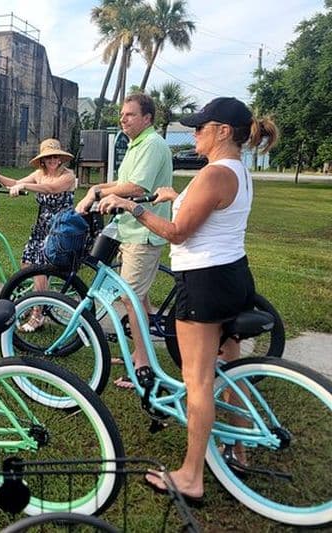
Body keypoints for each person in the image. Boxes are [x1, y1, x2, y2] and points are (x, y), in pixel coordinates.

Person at [98, 97, 278, 502]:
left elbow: (179, 233)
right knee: (230, 369)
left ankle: (191, 475)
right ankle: (239, 446)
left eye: (200, 127)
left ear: (223, 132)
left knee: (197, 380)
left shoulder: (215, 174)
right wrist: (172, 195)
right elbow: (208, 213)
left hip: (204, 282)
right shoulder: (237, 171)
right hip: (234, 275)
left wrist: (133, 208)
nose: (193, 133)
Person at [75, 93, 173, 389]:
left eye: (130, 114)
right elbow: (119, 184)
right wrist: (94, 190)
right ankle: (137, 351)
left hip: (143, 233)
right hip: (128, 229)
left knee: (128, 299)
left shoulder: (152, 144)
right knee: (137, 298)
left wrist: (99, 194)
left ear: (147, 118)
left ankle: (144, 365)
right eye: (122, 114)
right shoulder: (135, 144)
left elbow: (136, 187)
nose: (123, 118)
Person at [0, 138, 76, 332]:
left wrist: (25, 187)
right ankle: (33, 302)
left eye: (55, 156)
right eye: (48, 157)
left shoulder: (68, 176)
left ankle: (38, 314)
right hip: (42, 226)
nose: (52, 160)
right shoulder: (39, 174)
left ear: (61, 159)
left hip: (60, 228)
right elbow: (16, 183)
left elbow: (52, 189)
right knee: (27, 264)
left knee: (39, 270)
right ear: (43, 160)